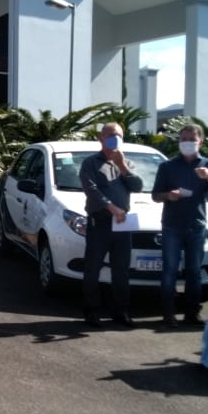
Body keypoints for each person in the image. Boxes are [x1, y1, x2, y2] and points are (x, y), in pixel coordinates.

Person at [151, 124, 208, 328]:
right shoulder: (167, 166)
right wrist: (169, 195)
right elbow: (155, 195)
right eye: (183, 139)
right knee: (170, 270)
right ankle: (168, 313)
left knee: (193, 271)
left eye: (191, 139)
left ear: (200, 142)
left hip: (196, 225)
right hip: (172, 225)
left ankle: (192, 313)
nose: (186, 143)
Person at [80, 122, 143, 326]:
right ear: (101, 138)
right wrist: (112, 208)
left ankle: (120, 311)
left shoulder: (126, 163)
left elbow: (137, 186)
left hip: (123, 225)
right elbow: (92, 190)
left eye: (119, 135)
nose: (115, 138)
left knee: (121, 270)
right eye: (111, 135)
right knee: (93, 268)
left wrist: (123, 166)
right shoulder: (90, 163)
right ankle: (92, 311)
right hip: (100, 222)